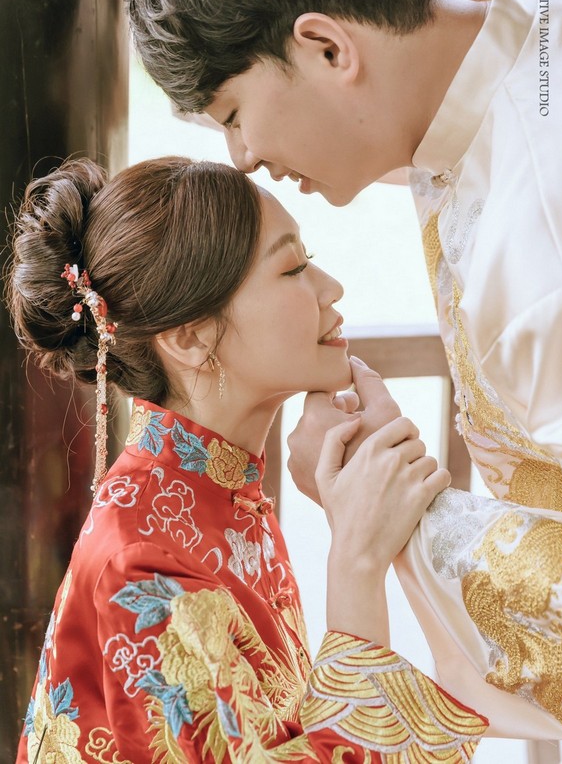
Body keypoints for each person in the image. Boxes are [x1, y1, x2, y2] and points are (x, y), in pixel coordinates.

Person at [112, 0, 562, 741]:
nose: (241, 158)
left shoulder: (551, 257)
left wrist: (393, 511)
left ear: (329, 48)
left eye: (233, 113)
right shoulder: (527, 1)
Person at [9, 156, 489, 762]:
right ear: (189, 338)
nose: (331, 288)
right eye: (293, 268)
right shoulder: (142, 565)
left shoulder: (219, 494)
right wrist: (356, 561)